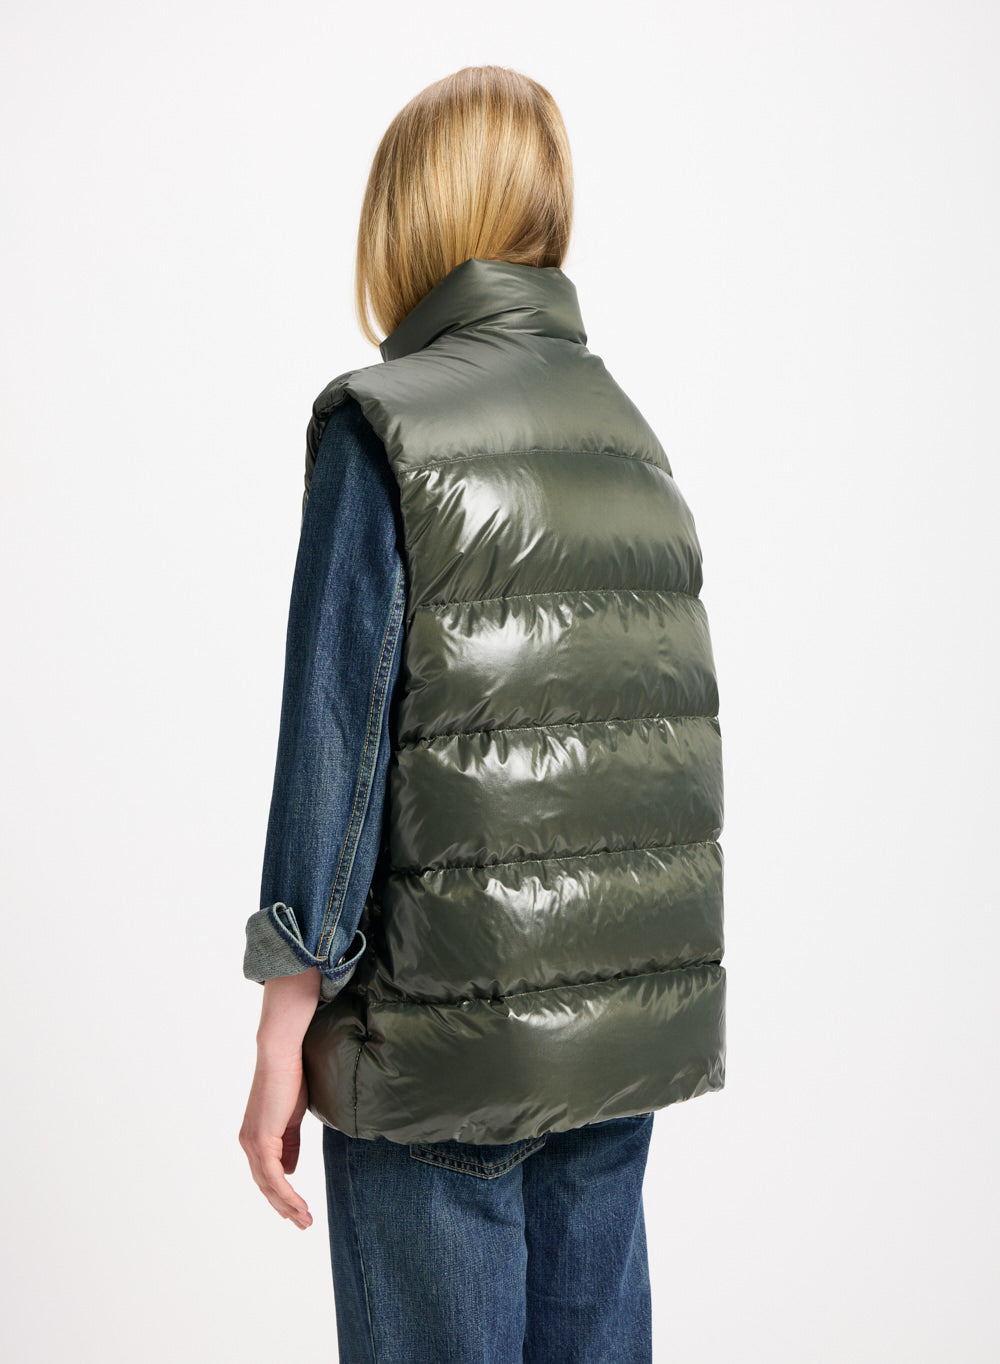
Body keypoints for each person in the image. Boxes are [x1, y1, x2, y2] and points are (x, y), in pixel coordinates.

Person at [239, 64, 725, 1364]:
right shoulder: (630, 442)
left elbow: (338, 741)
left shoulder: (384, 427)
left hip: (436, 1052)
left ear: (407, 218)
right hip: (614, 1051)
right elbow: (661, 759)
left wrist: (285, 1014)